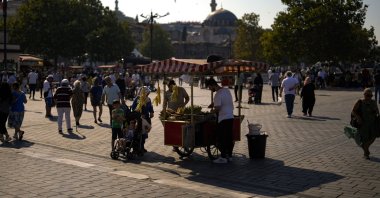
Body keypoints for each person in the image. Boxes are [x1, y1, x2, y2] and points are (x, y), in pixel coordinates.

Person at [206, 78, 234, 163]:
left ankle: (223, 157)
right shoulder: (226, 90)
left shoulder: (218, 94)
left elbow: (217, 108)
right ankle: (229, 156)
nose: (210, 89)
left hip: (223, 118)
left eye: (209, 87)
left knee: (221, 138)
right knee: (228, 138)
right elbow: (224, 101)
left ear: (212, 85)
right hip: (230, 117)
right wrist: (213, 104)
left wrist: (212, 111)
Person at [351, 88, 380, 160]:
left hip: (372, 123)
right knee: (364, 139)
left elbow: (377, 112)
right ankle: (366, 153)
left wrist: (375, 112)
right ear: (364, 94)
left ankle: (366, 149)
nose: (369, 97)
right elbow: (353, 111)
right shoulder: (360, 102)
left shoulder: (373, 102)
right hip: (363, 124)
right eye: (367, 95)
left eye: (371, 95)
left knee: (373, 137)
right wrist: (358, 118)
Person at [131, 86, 154, 152]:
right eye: (147, 93)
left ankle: (142, 146)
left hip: (146, 118)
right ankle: (138, 146)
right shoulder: (137, 99)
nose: (148, 94)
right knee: (139, 133)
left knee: (144, 133)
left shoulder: (148, 99)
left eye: (148, 93)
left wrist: (152, 112)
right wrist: (140, 114)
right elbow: (133, 108)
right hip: (138, 118)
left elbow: (150, 107)